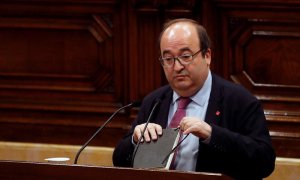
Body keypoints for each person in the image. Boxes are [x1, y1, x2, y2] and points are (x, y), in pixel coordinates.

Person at [113, 18, 275, 179]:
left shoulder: (239, 100)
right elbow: (119, 161)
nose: (177, 67)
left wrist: (212, 134)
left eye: (186, 56)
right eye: (168, 59)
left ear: (207, 56)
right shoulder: (155, 101)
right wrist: (135, 141)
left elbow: (264, 162)